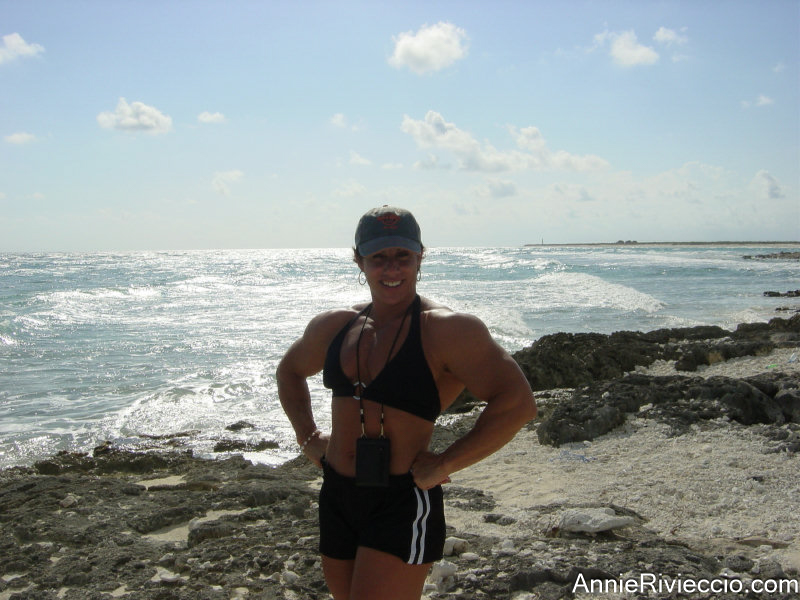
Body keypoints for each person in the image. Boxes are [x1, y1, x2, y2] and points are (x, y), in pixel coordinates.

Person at [276, 206, 536, 600]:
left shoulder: (446, 330)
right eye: (378, 257)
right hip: (338, 492)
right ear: (359, 261)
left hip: (401, 498)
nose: (392, 268)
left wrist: (446, 463)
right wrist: (308, 436)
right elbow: (289, 371)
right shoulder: (336, 325)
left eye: (403, 256)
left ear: (420, 257)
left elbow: (518, 403)